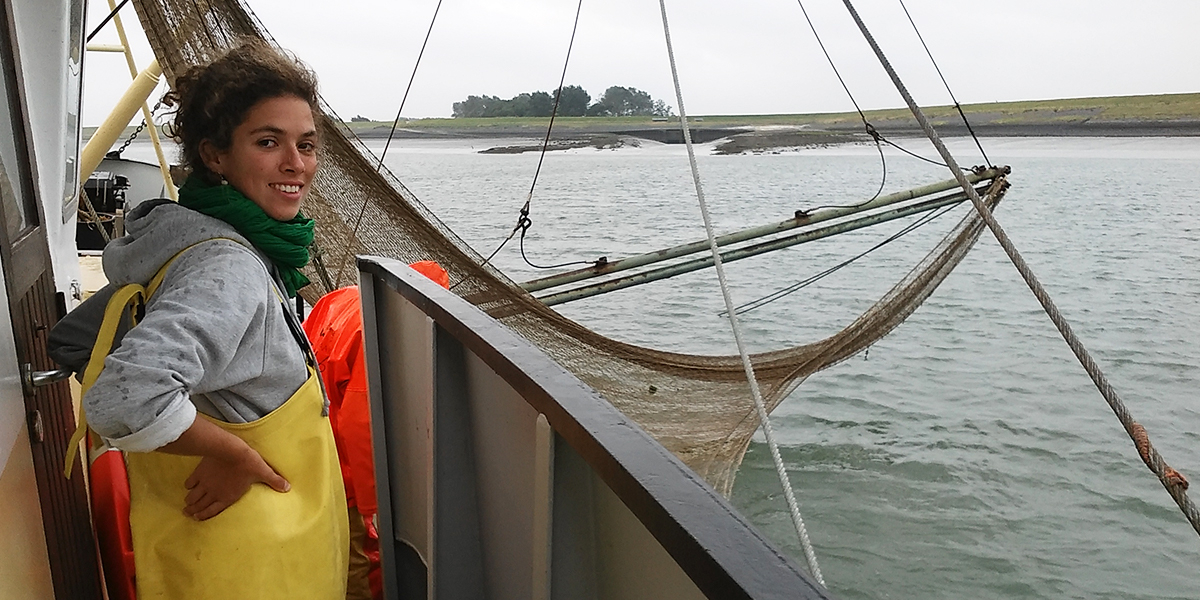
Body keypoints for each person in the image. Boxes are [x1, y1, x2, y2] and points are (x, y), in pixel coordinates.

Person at [49, 40, 347, 600]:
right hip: (251, 563)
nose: (296, 164)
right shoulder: (229, 266)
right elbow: (124, 397)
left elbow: (75, 339)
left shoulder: (184, 241)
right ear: (214, 156)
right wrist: (231, 452)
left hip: (215, 552)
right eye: (268, 142)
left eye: (306, 145)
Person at [303, 262, 448, 600]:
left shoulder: (338, 299)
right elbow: (360, 422)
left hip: (310, 455)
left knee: (326, 553)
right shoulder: (382, 331)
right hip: (346, 480)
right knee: (361, 566)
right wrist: (375, 506)